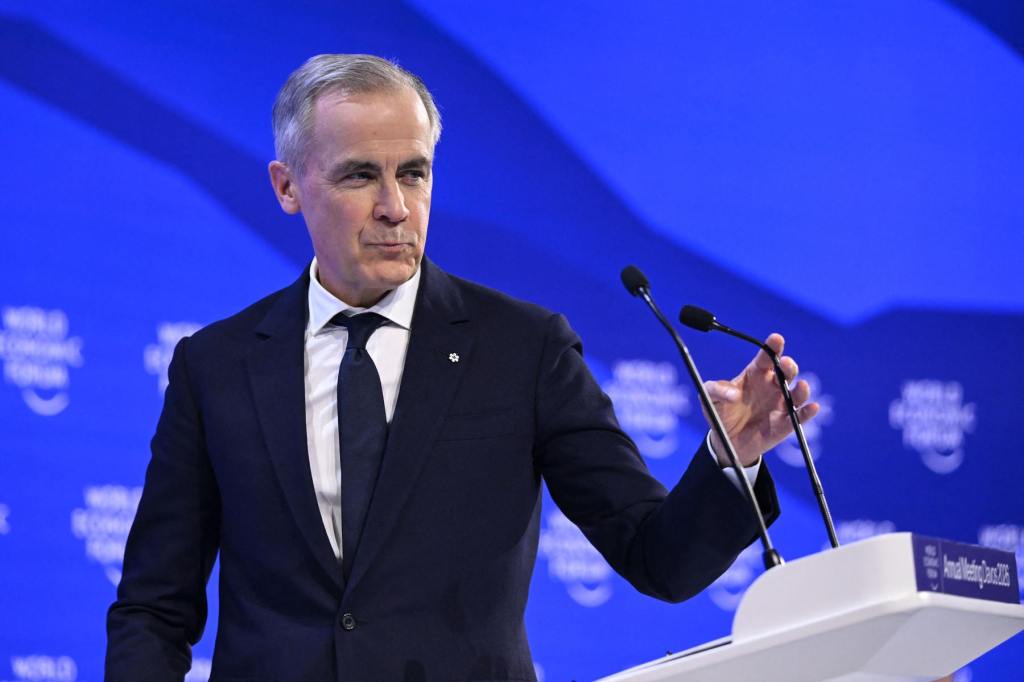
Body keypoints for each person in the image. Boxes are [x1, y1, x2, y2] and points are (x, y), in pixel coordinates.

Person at [106, 54, 819, 682]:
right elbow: (154, 607)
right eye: (360, 175)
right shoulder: (216, 366)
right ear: (287, 187)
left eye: (413, 174)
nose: (395, 208)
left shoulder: (524, 349)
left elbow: (657, 559)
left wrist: (730, 460)